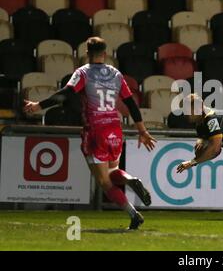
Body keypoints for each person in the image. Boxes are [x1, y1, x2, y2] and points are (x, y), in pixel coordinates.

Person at [23, 37, 157, 230]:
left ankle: (134, 214)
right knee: (112, 172)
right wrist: (142, 130)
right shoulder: (116, 74)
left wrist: (38, 105)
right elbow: (130, 103)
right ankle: (129, 179)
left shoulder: (83, 73)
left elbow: (66, 94)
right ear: (105, 53)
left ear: (86, 53)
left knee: (104, 181)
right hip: (115, 128)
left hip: (95, 130)